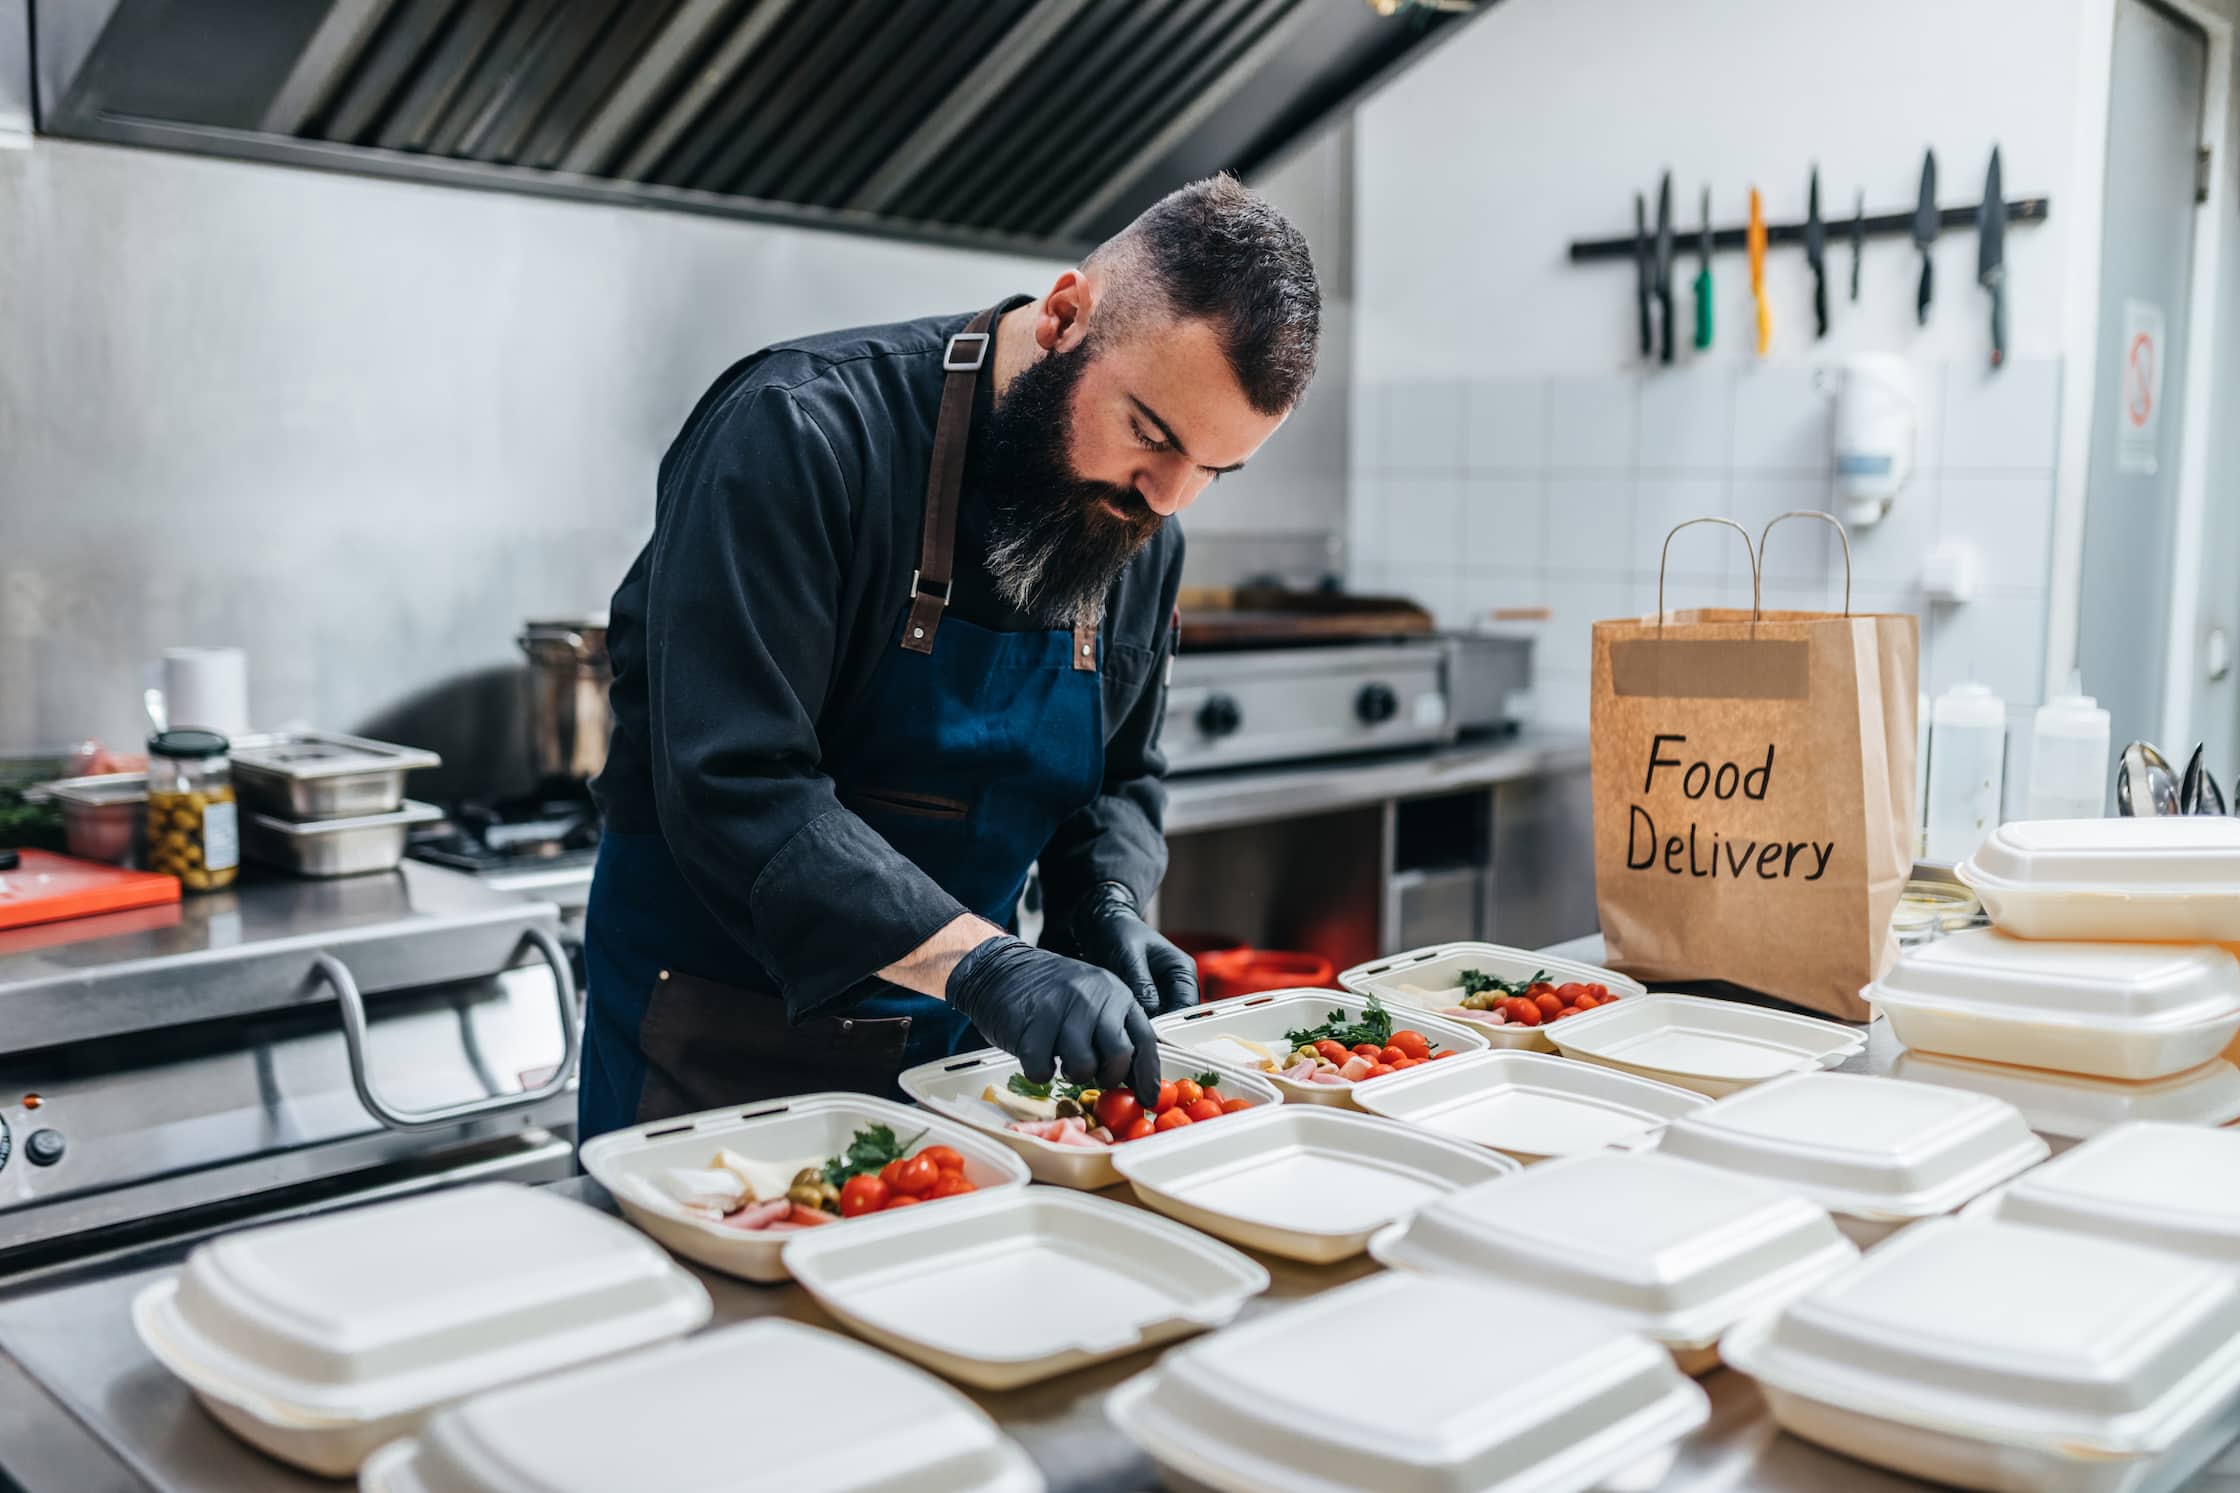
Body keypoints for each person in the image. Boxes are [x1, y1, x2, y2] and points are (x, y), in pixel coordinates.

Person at [577, 174, 1321, 1139]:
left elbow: (1119, 773)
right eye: (1151, 433)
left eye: (1215, 470)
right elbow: (737, 783)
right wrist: (991, 963)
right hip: (720, 1049)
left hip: (964, 1067)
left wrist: (1106, 901)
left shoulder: (1142, 521)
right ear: (1063, 316)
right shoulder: (798, 432)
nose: (1170, 498)